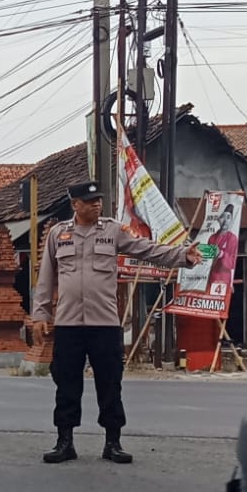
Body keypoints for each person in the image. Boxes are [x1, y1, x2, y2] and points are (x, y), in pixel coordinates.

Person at [31, 180, 202, 465]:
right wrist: (40, 315)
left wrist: (182, 255)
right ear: (75, 205)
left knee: (110, 383)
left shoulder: (113, 231)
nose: (97, 204)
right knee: (66, 383)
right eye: (90, 202)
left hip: (105, 323)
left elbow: (147, 249)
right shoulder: (58, 234)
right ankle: (64, 441)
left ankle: (113, 442)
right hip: (68, 324)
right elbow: (46, 278)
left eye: (99, 200)